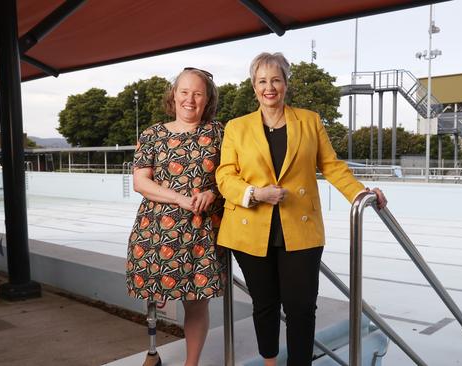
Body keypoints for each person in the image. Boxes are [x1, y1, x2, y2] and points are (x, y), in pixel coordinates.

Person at [215, 52, 387, 365]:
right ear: (254, 86)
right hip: (251, 229)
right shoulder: (237, 128)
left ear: (285, 84)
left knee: (302, 307)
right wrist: (255, 193)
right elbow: (225, 175)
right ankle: (269, 362)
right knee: (265, 305)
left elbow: (332, 166)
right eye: (262, 81)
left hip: (300, 228)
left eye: (276, 80)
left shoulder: (308, 120)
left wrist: (362, 194)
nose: (270, 87)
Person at [127, 67, 225, 366]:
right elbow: (141, 182)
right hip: (156, 230)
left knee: (196, 304)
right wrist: (181, 198)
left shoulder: (219, 133)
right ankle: (153, 351)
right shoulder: (153, 134)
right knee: (154, 292)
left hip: (201, 232)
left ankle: (190, 364)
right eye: (184, 92)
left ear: (208, 99)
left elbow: (233, 176)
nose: (190, 99)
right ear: (174, 94)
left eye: (198, 93)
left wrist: (215, 193)